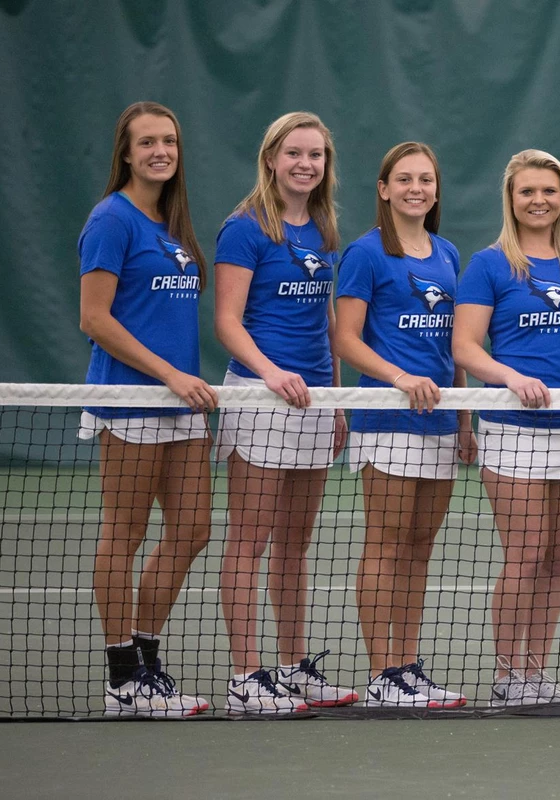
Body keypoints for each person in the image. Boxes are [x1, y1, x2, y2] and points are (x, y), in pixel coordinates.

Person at [454, 149, 560, 706]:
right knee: (524, 554)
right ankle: (506, 676)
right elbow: (466, 346)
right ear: (511, 198)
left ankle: (534, 670)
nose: (538, 200)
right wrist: (509, 377)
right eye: (527, 191)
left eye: (548, 191)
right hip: (512, 430)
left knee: (554, 558)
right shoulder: (489, 264)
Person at [77, 101, 216, 716]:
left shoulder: (171, 223)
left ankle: (147, 667)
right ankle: (121, 680)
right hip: (132, 400)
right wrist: (168, 375)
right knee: (125, 534)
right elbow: (94, 318)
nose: (161, 151)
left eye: (170, 141)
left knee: (192, 530)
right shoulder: (111, 220)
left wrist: (181, 382)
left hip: (181, 405)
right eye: (148, 142)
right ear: (126, 154)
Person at [214, 112, 354, 714]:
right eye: (294, 153)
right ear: (271, 157)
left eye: (316, 155)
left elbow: (326, 321)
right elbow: (226, 321)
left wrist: (339, 397)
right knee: (249, 541)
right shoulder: (243, 229)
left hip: (316, 402)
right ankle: (247, 676)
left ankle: (293, 668)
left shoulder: (323, 229)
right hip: (259, 399)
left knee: (295, 545)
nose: (305, 164)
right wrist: (270, 375)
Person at [335, 142, 474, 708]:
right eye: (404, 179)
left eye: (426, 179)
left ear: (436, 191)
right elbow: (345, 338)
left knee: (420, 546)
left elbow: (457, 345)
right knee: (386, 544)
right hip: (387, 420)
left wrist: (464, 417)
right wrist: (397, 378)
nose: (416, 187)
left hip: (440, 424)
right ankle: (380, 674)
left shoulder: (447, 253)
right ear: (384, 189)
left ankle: (407, 665)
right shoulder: (365, 254)